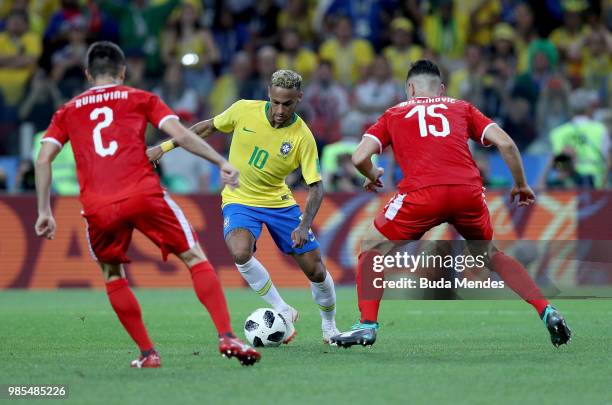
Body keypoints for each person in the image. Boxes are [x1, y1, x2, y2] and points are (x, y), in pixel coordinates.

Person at [34, 41, 260, 368]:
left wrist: (44, 211)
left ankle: (147, 354)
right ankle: (226, 335)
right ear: (123, 72)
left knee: (113, 274)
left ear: (87, 74)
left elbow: (43, 159)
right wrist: (219, 161)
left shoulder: (67, 110)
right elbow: (180, 135)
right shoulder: (140, 97)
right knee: (194, 256)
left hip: (98, 205)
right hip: (142, 192)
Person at [330, 60, 571, 349]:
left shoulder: (394, 113)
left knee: (371, 246)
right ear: (441, 89)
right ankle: (548, 311)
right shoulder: (462, 107)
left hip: (422, 195)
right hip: (467, 192)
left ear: (410, 88)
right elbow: (506, 144)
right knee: (490, 255)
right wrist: (521, 184)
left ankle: (367, 326)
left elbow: (358, 158)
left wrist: (372, 175)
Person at [148, 70, 340, 344]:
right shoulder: (243, 110)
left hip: (279, 203)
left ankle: (329, 327)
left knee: (316, 270)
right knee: (240, 252)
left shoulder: (303, 137)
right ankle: (281, 307)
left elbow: (316, 187)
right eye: (275, 102)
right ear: (268, 95)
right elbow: (206, 127)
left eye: (287, 104)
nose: (280, 110)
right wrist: (164, 147)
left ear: (299, 99)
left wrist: (304, 225)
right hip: (240, 199)